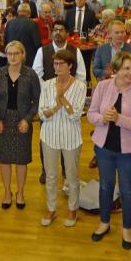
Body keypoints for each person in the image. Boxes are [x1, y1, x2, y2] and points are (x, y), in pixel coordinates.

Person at [88, 52, 131, 250]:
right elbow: (91, 114)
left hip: (129, 152)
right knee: (105, 186)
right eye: (126, 68)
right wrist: (103, 118)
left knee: (127, 189)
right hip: (104, 148)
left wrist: (119, 119)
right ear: (115, 70)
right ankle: (104, 223)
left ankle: (126, 228)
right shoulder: (103, 87)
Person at [0, 41, 41, 210]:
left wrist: (27, 119)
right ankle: (6, 192)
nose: (12, 57)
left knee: (21, 159)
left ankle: (20, 192)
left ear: (22, 55)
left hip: (22, 121)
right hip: (3, 121)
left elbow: (37, 100)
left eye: (16, 53)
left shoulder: (31, 75)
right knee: (4, 159)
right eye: (9, 54)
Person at [38, 49, 86, 227]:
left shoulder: (80, 86)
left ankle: (73, 209)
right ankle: (51, 209)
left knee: (72, 175)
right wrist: (60, 106)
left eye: (61, 64)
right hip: (49, 136)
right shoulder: (48, 84)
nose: (57, 67)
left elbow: (75, 115)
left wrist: (60, 99)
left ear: (70, 66)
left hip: (71, 137)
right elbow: (42, 114)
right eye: (55, 64)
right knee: (50, 175)